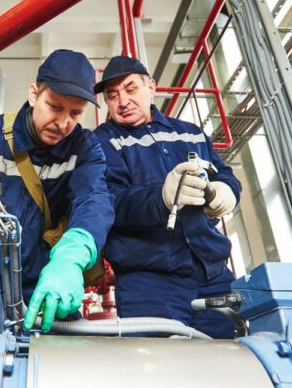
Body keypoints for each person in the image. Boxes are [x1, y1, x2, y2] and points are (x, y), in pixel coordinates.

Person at [0, 49, 114, 332]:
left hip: (46, 285)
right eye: (55, 107)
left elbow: (93, 199)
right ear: (34, 95)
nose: (63, 123)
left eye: (75, 113)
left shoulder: (84, 146)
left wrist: (70, 259)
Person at [93, 56, 241, 338]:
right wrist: (159, 197)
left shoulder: (190, 133)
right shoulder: (101, 143)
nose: (122, 100)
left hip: (213, 275)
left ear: (151, 87)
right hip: (148, 284)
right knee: (161, 368)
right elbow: (108, 202)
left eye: (131, 88)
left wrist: (227, 190)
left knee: (230, 360)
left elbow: (223, 172)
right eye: (112, 96)